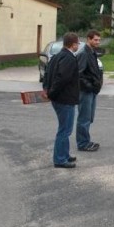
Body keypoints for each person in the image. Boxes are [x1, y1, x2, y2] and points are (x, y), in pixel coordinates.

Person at [43, 32, 80, 168]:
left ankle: (64, 154)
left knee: (65, 129)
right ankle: (60, 159)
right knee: (65, 130)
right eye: (78, 43)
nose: (78, 45)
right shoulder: (69, 58)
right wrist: (52, 92)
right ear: (73, 44)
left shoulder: (57, 56)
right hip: (65, 99)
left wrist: (47, 89)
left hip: (59, 98)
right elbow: (62, 78)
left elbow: (47, 74)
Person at [76, 30, 103, 152]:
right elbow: (79, 75)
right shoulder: (83, 53)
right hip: (85, 91)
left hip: (92, 91)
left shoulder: (92, 52)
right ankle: (83, 143)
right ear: (89, 39)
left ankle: (86, 140)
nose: (98, 42)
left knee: (89, 117)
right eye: (95, 40)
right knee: (84, 118)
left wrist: (97, 85)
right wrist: (90, 86)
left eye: (99, 40)